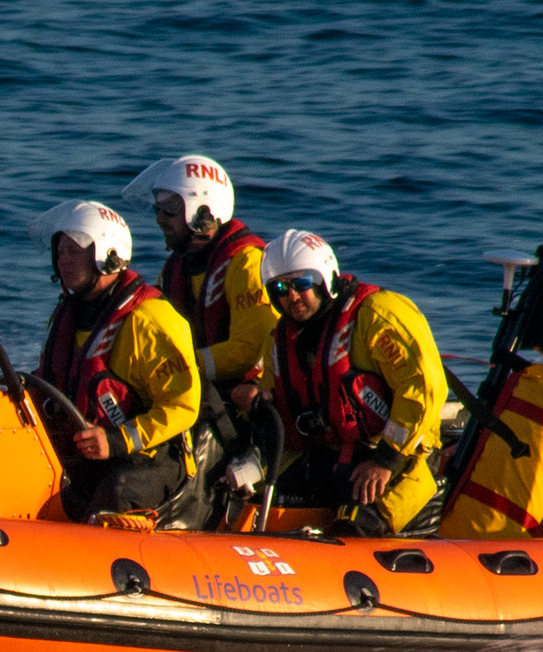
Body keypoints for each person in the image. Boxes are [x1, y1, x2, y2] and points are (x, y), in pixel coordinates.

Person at [254, 228, 447, 535]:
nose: (291, 296)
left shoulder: (377, 315)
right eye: (280, 287)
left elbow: (423, 390)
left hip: (398, 454)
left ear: (324, 280)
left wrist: (385, 461)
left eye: (302, 284)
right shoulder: (281, 339)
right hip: (329, 455)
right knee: (251, 502)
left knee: (354, 528)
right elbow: (275, 397)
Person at [33, 200, 204, 527]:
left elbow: (183, 406)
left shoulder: (150, 320)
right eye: (60, 251)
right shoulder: (67, 315)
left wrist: (116, 440)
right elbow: (48, 379)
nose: (63, 261)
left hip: (151, 454)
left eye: (74, 251)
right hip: (87, 445)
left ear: (106, 255)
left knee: (116, 493)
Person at [129, 152, 275, 517]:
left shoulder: (245, 263)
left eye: (169, 208)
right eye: (158, 207)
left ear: (202, 211)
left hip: (239, 404)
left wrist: (184, 369)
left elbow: (248, 351)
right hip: (192, 391)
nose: (159, 218)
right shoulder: (176, 267)